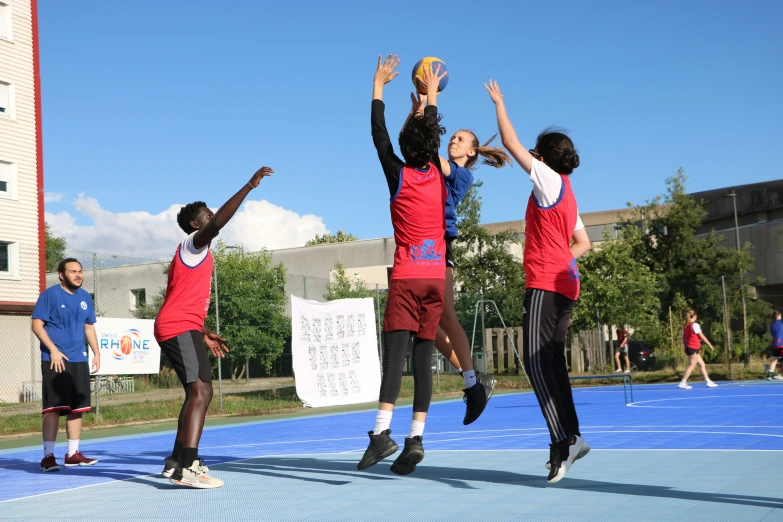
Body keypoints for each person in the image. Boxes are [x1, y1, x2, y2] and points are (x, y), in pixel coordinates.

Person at [485, 79, 592, 484]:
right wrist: (562, 257)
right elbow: (582, 242)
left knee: (533, 361)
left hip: (547, 285)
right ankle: (572, 437)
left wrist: (499, 103)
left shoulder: (548, 181)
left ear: (546, 157)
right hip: (564, 284)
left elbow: (511, 142)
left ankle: (563, 442)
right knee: (552, 364)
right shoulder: (567, 192)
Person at [155, 166, 274, 488]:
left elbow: (182, 298)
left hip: (184, 325)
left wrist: (203, 330)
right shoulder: (194, 243)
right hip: (178, 327)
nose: (213, 218)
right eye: (207, 216)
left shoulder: (194, 254)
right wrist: (249, 186)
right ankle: (189, 467)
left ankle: (176, 462)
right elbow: (220, 222)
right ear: (196, 225)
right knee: (202, 391)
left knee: (195, 392)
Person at [357, 55, 446, 476]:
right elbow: (427, 135)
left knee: (395, 358)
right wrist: (427, 100)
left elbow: (379, 136)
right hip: (436, 279)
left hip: (408, 276)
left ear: (404, 146)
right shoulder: (439, 176)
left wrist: (379, 86)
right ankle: (416, 438)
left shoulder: (399, 175)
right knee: (423, 361)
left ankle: (380, 434)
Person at [409, 89, 510, 424]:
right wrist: (417, 114)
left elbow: (429, 149)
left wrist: (427, 112)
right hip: (423, 246)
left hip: (441, 245)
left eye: (459, 139)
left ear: (470, 151)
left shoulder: (461, 173)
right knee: (425, 325)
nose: (453, 140)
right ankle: (475, 380)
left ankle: (472, 384)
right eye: (451, 136)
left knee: (447, 315)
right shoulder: (439, 168)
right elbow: (418, 150)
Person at [32, 258, 100, 472]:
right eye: (73, 271)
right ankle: (48, 457)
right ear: (61, 275)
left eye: (80, 271)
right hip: (56, 360)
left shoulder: (85, 297)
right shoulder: (49, 295)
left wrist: (96, 353)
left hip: (79, 358)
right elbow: (36, 324)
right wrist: (53, 350)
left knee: (76, 408)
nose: (78, 275)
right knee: (53, 409)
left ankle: (72, 454)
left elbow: (89, 327)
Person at [678, 309, 718, 389]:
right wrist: (709, 344)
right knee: (692, 365)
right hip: (693, 348)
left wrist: (686, 346)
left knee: (702, 364)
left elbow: (683, 338)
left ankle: (708, 382)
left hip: (690, 347)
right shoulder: (694, 325)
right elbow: (702, 336)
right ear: (695, 316)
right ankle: (683, 382)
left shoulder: (685, 326)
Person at [766, 311, 783, 380]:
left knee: (774, 360)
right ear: (778, 316)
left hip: (775, 344)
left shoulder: (772, 325)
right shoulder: (781, 323)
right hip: (782, 344)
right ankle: (778, 374)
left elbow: (773, 334)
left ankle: (769, 375)